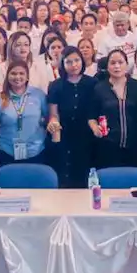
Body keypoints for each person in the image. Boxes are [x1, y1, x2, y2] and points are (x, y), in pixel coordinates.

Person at [46, 46, 97, 188]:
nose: (74, 65)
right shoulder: (56, 85)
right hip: (64, 135)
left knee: (85, 176)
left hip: (86, 136)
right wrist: (54, 122)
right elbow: (53, 113)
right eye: (69, 62)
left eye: (77, 60)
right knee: (64, 176)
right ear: (62, 64)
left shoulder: (92, 83)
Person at [90, 49, 137, 169]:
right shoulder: (99, 88)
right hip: (107, 146)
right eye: (113, 63)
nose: (117, 66)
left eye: (120, 62)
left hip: (134, 145)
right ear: (107, 66)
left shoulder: (136, 85)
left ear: (127, 64)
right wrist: (95, 128)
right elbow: (91, 116)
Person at [0, 60, 50, 170]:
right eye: (13, 73)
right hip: (7, 151)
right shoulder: (1, 97)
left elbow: (48, 118)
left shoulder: (38, 95)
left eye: (21, 73)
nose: (17, 77)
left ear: (27, 77)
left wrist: (42, 122)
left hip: (36, 151)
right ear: (7, 76)